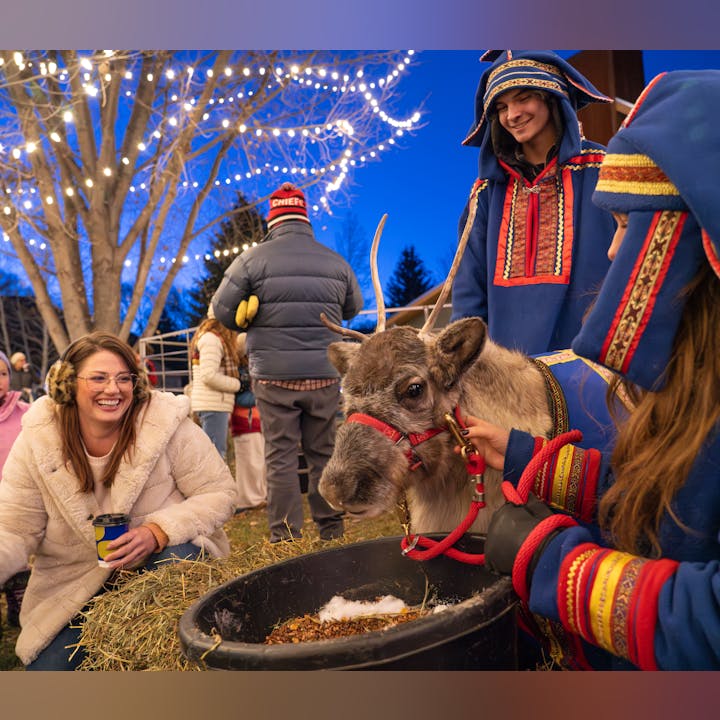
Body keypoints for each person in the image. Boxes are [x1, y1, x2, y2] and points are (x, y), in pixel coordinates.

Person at [460, 70, 720, 670]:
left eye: (624, 227)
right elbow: (675, 500)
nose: (610, 251)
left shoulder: (595, 168)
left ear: (674, 241)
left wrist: (556, 562)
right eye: (499, 106)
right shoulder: (694, 388)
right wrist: (533, 458)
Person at [0, 331, 236, 670]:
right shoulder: (38, 441)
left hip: (160, 565)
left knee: (181, 565)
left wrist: (157, 532)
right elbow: (14, 529)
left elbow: (220, 492)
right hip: (74, 588)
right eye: (98, 378)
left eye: (123, 379)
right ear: (67, 384)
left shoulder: (164, 424)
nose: (113, 389)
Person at [212, 182, 364, 542]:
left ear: (273, 220)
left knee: (279, 456)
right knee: (324, 452)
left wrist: (242, 320)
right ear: (305, 218)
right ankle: (331, 529)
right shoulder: (335, 261)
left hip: (274, 377)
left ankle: (285, 535)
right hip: (324, 374)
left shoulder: (250, 259)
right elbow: (353, 308)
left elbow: (221, 309)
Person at [451, 50, 616, 355]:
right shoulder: (487, 192)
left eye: (523, 98)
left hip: (595, 365)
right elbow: (468, 290)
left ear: (552, 97)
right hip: (511, 378)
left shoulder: (604, 170)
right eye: (501, 107)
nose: (512, 115)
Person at [0, 350, 31, 633]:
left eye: (3, 373)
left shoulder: (24, 414)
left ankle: (19, 603)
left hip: (14, 497)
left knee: (16, 552)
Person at [189, 309, 241, 461]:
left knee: (210, 456)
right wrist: (237, 384)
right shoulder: (212, 340)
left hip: (211, 404)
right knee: (214, 458)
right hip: (213, 405)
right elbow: (209, 375)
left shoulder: (209, 338)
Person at [231, 333, 267, 513]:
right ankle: (247, 499)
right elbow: (242, 397)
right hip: (245, 418)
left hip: (256, 418)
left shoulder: (252, 367)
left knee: (258, 459)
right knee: (249, 460)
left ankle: (258, 496)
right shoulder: (238, 371)